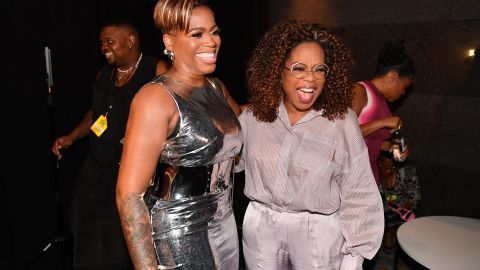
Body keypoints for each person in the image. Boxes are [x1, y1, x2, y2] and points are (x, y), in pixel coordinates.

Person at [238, 20, 384, 269]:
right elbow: (227, 162)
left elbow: (358, 190)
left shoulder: (340, 120)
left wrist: (355, 255)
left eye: (319, 69)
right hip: (261, 226)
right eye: (299, 68)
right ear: (278, 70)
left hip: (317, 231)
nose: (311, 78)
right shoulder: (254, 116)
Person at [115, 1, 242, 269]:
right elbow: (128, 196)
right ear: (169, 41)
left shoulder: (216, 87)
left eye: (214, 31)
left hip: (225, 221)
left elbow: (240, 130)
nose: (211, 41)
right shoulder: (155, 98)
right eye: (197, 34)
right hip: (179, 231)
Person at [51, 20, 169, 269]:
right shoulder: (105, 74)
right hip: (97, 169)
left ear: (130, 40)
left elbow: (173, 113)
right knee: (86, 233)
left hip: (130, 170)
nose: (104, 47)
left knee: (118, 242)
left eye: (109, 41)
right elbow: (96, 114)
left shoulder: (155, 69)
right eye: (102, 43)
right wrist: (72, 136)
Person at [351, 40, 415, 185]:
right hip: (350, 177)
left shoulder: (382, 101)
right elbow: (342, 134)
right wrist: (382, 122)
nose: (403, 92)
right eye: (405, 87)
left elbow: (369, 142)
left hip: (367, 177)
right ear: (393, 76)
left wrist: (389, 147)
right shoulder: (360, 90)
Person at [377, 153, 421, 253]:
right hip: (381, 206)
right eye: (383, 167)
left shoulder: (406, 172)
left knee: (392, 219)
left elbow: (414, 197)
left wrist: (398, 209)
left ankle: (389, 233)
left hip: (403, 207)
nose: (388, 171)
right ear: (378, 162)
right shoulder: (372, 172)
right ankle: (386, 233)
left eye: (392, 167)